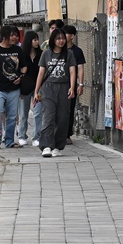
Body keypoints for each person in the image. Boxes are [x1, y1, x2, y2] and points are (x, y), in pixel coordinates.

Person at [34, 28, 76, 157]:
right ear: (53, 40)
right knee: (48, 117)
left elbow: (72, 71)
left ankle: (58, 146)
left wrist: (72, 87)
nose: (61, 41)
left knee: (62, 118)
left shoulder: (69, 54)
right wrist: (36, 91)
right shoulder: (46, 54)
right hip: (48, 88)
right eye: (58, 38)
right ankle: (46, 146)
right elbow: (41, 73)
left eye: (63, 38)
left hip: (64, 87)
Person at [16, 30, 43, 147]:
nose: (37, 42)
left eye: (37, 39)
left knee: (38, 112)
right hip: (25, 87)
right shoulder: (21, 54)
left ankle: (37, 137)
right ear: (29, 41)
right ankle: (22, 136)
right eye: (34, 39)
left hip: (39, 86)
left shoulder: (42, 54)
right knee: (23, 113)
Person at [64, 24, 86, 145]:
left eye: (66, 34)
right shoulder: (57, 50)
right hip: (58, 83)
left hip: (71, 84)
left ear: (72, 36)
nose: (63, 37)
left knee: (69, 109)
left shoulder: (77, 51)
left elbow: (81, 68)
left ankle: (67, 134)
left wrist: (81, 84)